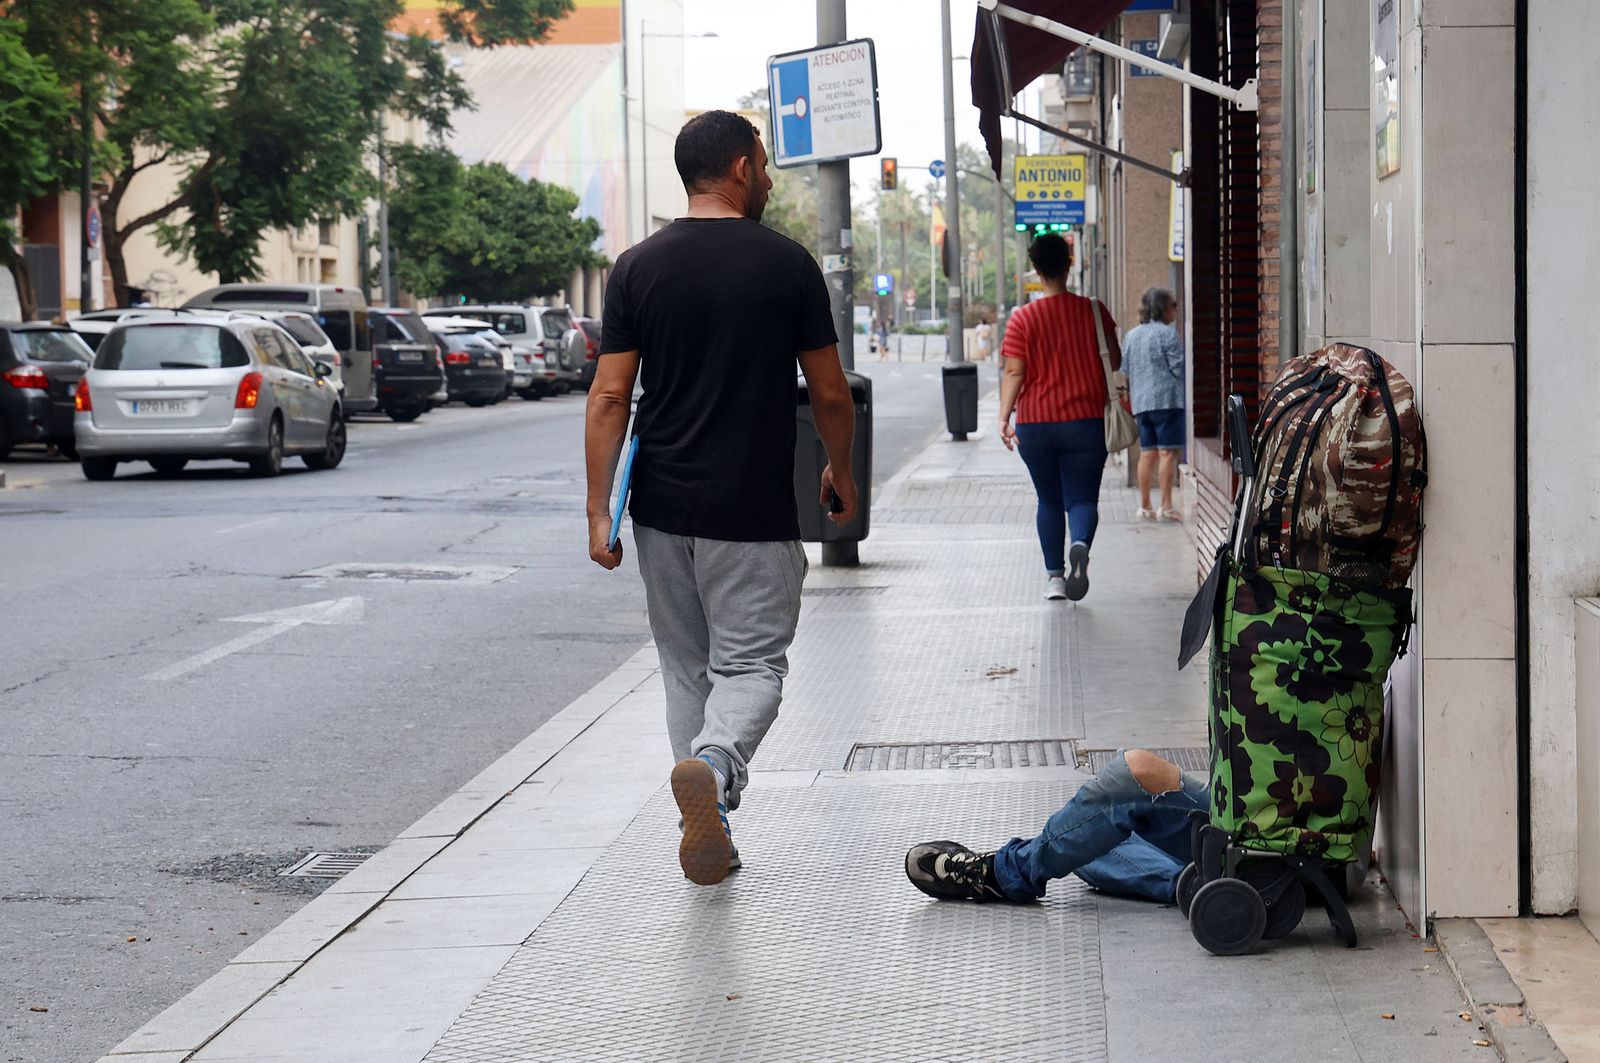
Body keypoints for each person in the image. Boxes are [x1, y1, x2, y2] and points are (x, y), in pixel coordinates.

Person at [585, 110, 859, 887]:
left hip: (660, 507)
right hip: (752, 505)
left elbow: (610, 397)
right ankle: (715, 764)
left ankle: (708, 821)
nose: (770, 177)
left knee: (687, 668)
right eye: (766, 164)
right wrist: (839, 468)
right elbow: (830, 392)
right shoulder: (787, 264)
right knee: (754, 667)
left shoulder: (636, 267)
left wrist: (597, 508)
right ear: (740, 168)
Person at [905, 749, 1206, 904]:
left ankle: (1001, 872)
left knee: (1134, 775)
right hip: (1240, 817)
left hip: (1248, 827)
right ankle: (1194, 883)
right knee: (1090, 842)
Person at [997, 234, 1121, 602]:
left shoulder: (1022, 318)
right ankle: (1079, 544)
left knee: (1048, 500)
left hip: (1036, 424)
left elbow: (1014, 372)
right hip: (1086, 421)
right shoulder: (1095, 312)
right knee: (1082, 498)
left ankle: (1054, 578)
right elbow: (1113, 361)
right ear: (1070, 263)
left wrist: (1004, 417)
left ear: (1036, 269)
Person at [1122, 287, 1185, 521]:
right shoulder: (1167, 334)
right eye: (1173, 306)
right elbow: (1178, 366)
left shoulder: (1131, 335)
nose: (1175, 310)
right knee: (1167, 453)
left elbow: (1125, 370)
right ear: (1163, 309)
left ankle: (1145, 506)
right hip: (1167, 401)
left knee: (1146, 454)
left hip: (1141, 403)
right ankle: (1166, 506)